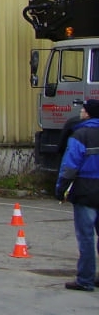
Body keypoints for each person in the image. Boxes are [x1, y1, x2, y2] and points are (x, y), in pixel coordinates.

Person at [56, 98, 99, 291]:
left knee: (86, 237)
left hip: (86, 191)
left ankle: (85, 280)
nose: (80, 112)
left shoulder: (80, 135)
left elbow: (70, 166)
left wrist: (60, 188)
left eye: (82, 110)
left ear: (87, 113)